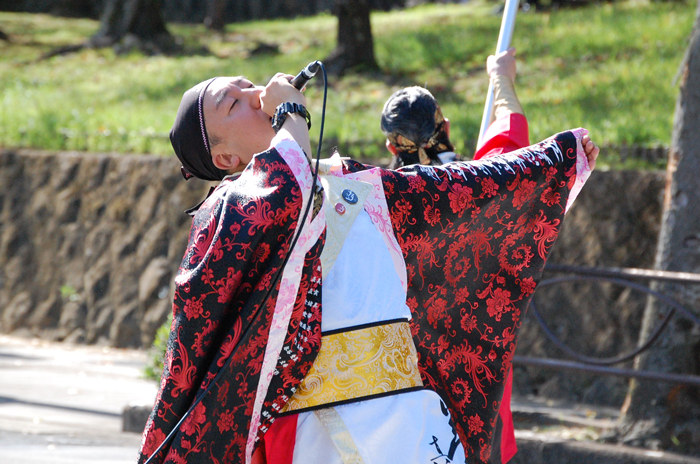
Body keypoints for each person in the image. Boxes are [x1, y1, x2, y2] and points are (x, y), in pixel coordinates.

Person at [138, 51, 599, 464]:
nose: (252, 93)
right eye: (232, 103)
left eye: (243, 83)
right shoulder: (229, 213)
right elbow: (280, 197)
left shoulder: (349, 182)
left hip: (403, 416)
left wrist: (552, 162)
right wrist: (292, 114)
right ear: (224, 159)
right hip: (311, 431)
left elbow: (450, 196)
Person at [379, 48, 570, 464]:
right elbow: (512, 133)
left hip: (404, 381)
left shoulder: (374, 206)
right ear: (444, 127)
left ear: (390, 144)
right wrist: (500, 77)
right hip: (480, 372)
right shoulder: (481, 189)